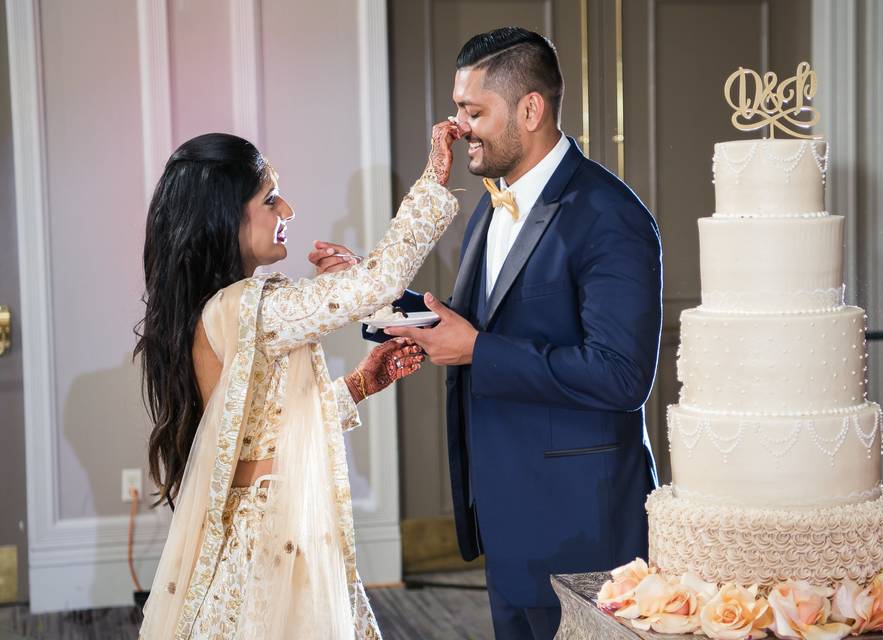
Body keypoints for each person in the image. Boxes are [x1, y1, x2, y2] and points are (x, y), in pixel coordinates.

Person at [325, 26, 662, 640]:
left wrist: (478, 349)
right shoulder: (490, 204)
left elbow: (622, 375)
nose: (457, 128)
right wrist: (370, 295)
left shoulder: (612, 216)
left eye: (473, 111)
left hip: (582, 526)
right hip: (507, 518)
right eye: (457, 109)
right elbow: (472, 323)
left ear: (530, 109)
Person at [135, 123, 461, 639]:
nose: (286, 211)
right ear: (226, 215)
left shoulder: (226, 308)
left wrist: (357, 384)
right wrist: (434, 180)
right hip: (265, 548)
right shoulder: (243, 306)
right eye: (271, 199)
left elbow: (263, 435)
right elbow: (378, 283)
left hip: (270, 531)